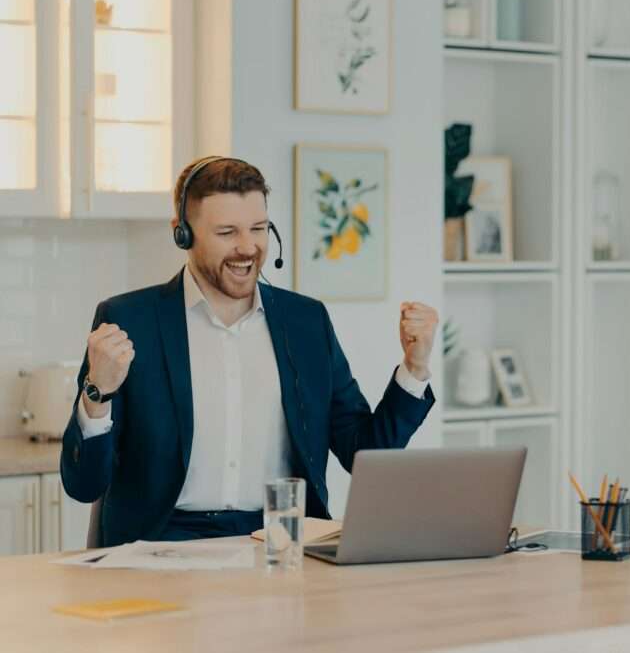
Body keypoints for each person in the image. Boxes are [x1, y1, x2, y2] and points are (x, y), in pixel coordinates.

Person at [60, 157, 438, 546]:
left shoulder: (306, 321)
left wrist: (415, 367)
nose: (247, 247)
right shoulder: (128, 320)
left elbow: (365, 453)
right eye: (227, 232)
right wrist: (97, 393)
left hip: (280, 545)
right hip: (160, 547)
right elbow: (83, 485)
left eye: (259, 229)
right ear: (182, 234)